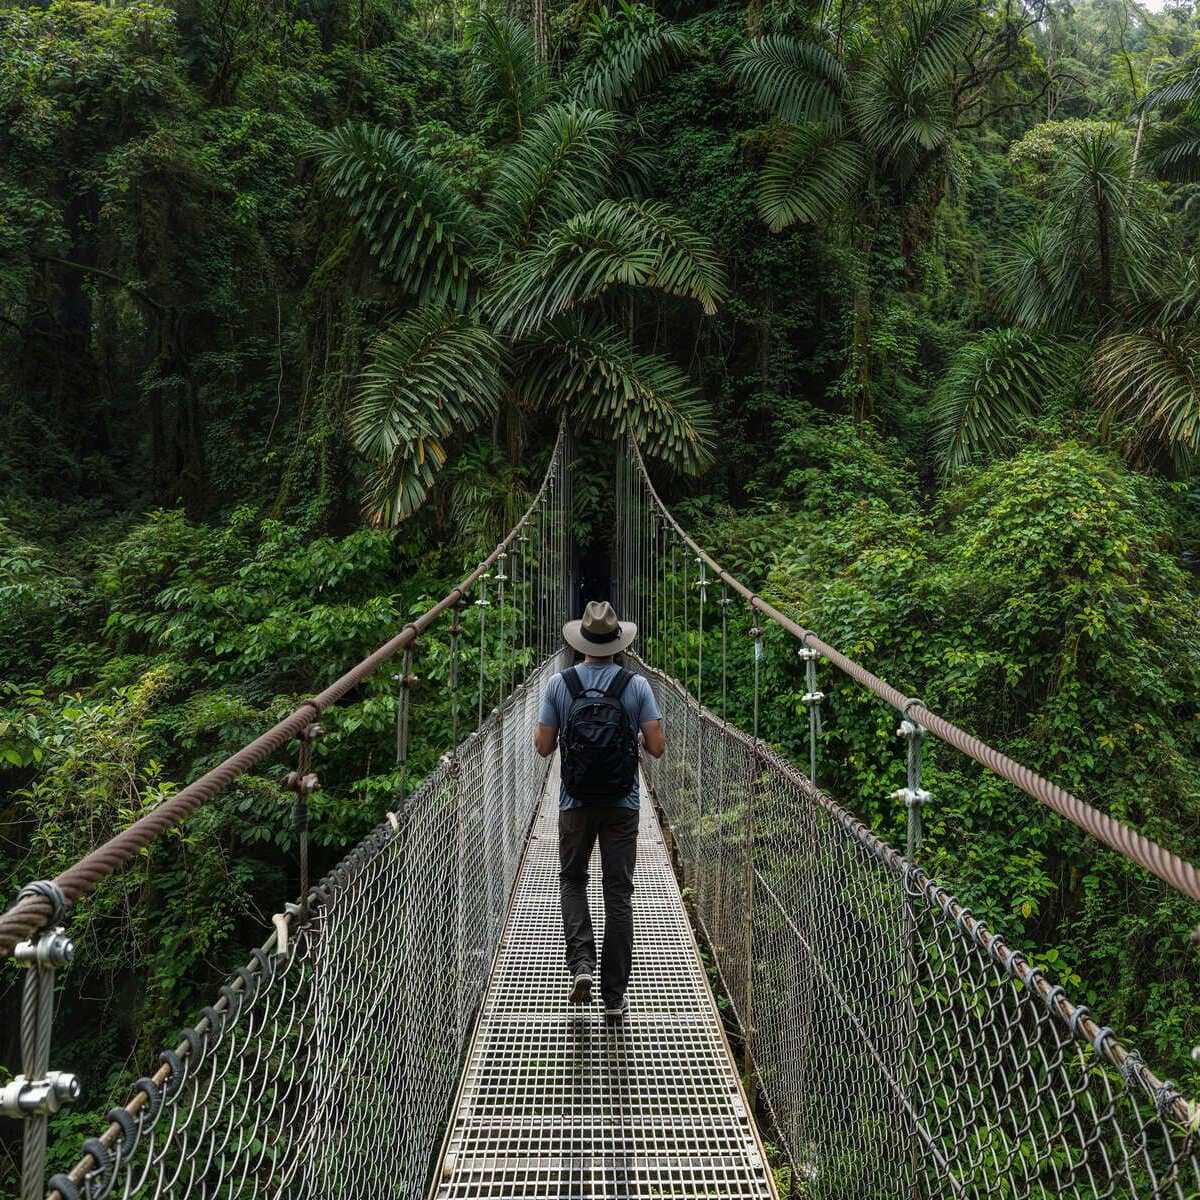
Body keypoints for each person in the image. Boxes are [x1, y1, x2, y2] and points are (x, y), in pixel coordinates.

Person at [534, 600, 665, 1020]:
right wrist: (630, 738)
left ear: (580, 642)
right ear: (618, 643)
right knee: (619, 896)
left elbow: (542, 748)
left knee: (572, 880)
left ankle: (582, 967)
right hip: (622, 805)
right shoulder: (636, 686)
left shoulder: (560, 684)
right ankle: (614, 998)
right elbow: (658, 748)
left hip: (574, 803)